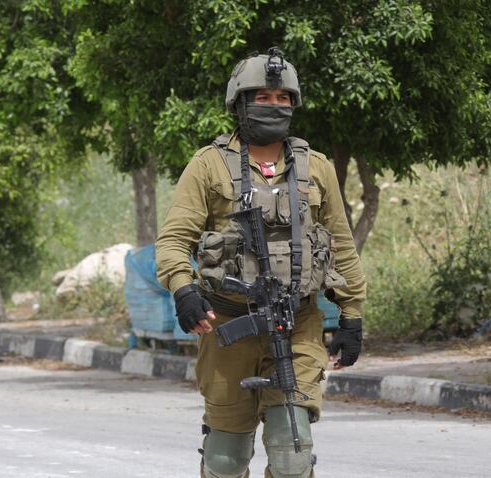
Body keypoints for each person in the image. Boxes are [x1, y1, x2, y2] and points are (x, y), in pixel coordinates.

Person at [155, 47, 366, 478]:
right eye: (263, 97)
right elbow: (175, 240)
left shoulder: (317, 168)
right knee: (224, 460)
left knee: (292, 454)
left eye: (283, 98)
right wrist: (183, 290)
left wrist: (352, 314)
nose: (274, 105)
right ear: (239, 102)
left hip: (298, 324)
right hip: (228, 327)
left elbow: (341, 245)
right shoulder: (208, 165)